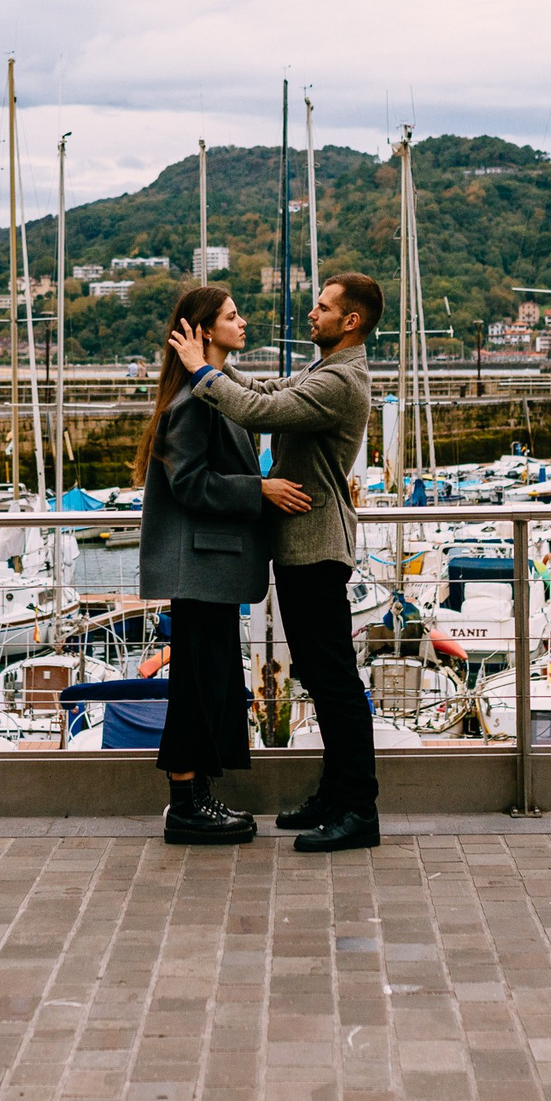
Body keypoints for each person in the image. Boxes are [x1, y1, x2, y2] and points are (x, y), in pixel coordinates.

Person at [169, 271, 380, 852]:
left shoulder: (340, 380)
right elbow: (262, 388)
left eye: (323, 307)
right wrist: (211, 364)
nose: (312, 313)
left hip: (316, 546)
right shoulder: (322, 369)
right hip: (301, 547)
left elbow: (258, 411)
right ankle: (334, 794)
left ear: (350, 321)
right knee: (321, 677)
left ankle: (358, 808)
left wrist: (201, 370)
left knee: (334, 681)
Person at [137, 285, 313, 845]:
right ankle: (187, 806)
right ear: (205, 330)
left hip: (209, 569)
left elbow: (259, 395)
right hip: (199, 569)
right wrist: (258, 488)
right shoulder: (193, 403)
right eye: (233, 316)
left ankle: (199, 798)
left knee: (209, 683)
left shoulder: (210, 390)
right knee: (196, 687)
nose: (244, 322)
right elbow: (189, 483)